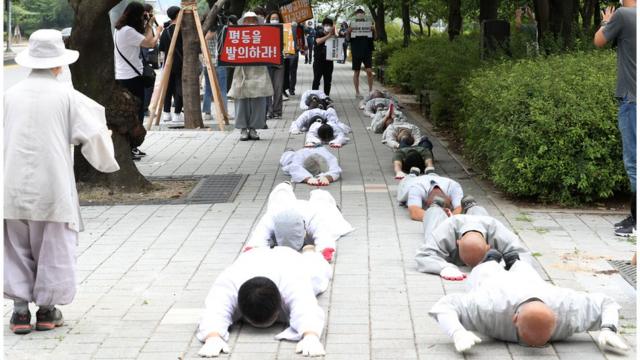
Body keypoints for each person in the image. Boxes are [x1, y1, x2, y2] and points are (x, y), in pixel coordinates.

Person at [5, 29, 120, 335]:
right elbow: (94, 136)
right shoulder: (68, 97)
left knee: (15, 246)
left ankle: (18, 312)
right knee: (53, 247)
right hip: (53, 186)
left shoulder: (9, 97)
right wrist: (107, 158)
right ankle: (46, 311)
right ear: (59, 64)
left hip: (12, 184)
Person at [429, 256, 629, 353]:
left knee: (524, 265)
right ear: (514, 319)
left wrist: (609, 328)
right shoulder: (489, 308)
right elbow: (445, 305)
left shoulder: (567, 309)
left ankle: (514, 259)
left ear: (556, 319)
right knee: (484, 268)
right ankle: (492, 257)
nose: (535, 346)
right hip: (493, 282)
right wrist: (457, 332)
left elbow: (606, 302)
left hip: (532, 282)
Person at [196, 247, 331, 357]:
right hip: (251, 257)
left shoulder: (293, 280)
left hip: (290, 259)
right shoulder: (230, 281)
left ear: (279, 305)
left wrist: (310, 336)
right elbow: (215, 309)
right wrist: (212, 336)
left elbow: (306, 307)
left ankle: (309, 251)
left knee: (318, 274)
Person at [594, 1, 637, 237]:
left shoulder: (624, 15)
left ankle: (637, 221)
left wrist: (605, 22)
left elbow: (599, 40)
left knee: (634, 163)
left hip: (632, 100)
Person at [416, 198, 533, 280]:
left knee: (481, 216)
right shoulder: (445, 230)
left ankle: (472, 206)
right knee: (432, 224)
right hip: (451, 224)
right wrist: (443, 268)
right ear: (457, 242)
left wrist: (505, 265)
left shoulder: (497, 229)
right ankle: (435, 207)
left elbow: (523, 254)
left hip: (482, 222)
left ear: (488, 246)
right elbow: (424, 255)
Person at [245, 182, 353, 261]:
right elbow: (259, 236)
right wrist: (253, 249)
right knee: (280, 192)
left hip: (313, 208)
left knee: (321, 198)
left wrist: (325, 250)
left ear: (304, 227)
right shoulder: (272, 215)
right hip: (284, 205)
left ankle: (319, 193)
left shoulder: (315, 215)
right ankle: (285, 185)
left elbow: (324, 236)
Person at [113, 1, 162, 159]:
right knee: (136, 113)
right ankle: (132, 146)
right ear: (136, 15)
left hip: (122, 76)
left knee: (128, 112)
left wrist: (146, 23)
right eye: (142, 15)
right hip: (132, 78)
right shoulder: (128, 31)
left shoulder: (119, 29)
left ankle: (130, 146)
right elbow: (150, 43)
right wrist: (157, 30)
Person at [227, 12, 273, 141]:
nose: (251, 22)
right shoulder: (236, 36)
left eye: (253, 20)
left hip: (259, 72)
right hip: (241, 72)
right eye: (247, 20)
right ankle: (243, 129)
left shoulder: (264, 35)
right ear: (243, 22)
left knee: (258, 101)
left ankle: (254, 129)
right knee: (241, 101)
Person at [397, 173, 464, 221]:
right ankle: (413, 173)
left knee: (432, 175)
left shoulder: (454, 186)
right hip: (412, 181)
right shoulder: (416, 188)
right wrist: (442, 217)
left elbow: (461, 208)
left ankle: (429, 173)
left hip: (436, 179)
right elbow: (414, 212)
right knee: (407, 178)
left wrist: (450, 216)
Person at [158, 6, 184, 124]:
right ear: (178, 15)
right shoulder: (182, 30)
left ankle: (166, 113)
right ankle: (177, 114)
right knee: (179, 88)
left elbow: (162, 49)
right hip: (180, 63)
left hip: (168, 64)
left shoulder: (166, 30)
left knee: (168, 89)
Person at [346, 8, 375, 98]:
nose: (360, 14)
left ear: (364, 14)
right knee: (357, 72)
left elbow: (375, 37)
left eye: (361, 13)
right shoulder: (351, 24)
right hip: (356, 51)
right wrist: (348, 32)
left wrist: (374, 30)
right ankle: (357, 92)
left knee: (369, 71)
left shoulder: (369, 24)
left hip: (367, 51)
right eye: (358, 13)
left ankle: (371, 91)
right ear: (355, 15)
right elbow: (347, 39)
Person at [202, 27, 228, 121]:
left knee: (208, 88)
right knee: (222, 89)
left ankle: (207, 113)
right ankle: (223, 112)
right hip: (219, 63)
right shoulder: (221, 32)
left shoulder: (203, 32)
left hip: (207, 64)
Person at [266, 11, 286, 119]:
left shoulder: (284, 31)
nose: (274, 20)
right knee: (268, 89)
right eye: (272, 18)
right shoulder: (264, 30)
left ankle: (277, 111)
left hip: (279, 63)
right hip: (268, 63)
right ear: (269, 20)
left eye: (276, 18)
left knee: (278, 89)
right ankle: (269, 111)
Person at [141, 3, 160, 118]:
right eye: (150, 12)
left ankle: (145, 108)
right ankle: (144, 109)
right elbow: (149, 42)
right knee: (148, 83)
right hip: (143, 59)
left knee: (148, 83)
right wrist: (152, 25)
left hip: (146, 58)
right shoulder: (141, 24)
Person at [312, 18, 336, 96]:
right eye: (326, 25)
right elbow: (318, 41)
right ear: (323, 26)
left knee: (328, 81)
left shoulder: (333, 36)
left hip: (329, 61)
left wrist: (333, 34)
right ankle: (314, 97)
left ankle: (326, 97)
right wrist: (328, 36)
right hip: (318, 61)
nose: (328, 27)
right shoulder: (318, 33)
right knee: (316, 80)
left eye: (329, 25)